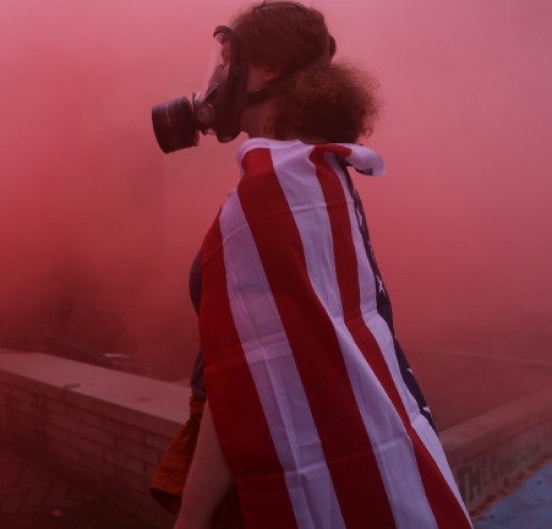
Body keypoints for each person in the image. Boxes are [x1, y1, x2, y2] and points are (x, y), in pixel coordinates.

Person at [149, 2, 474, 528]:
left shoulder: (272, 196)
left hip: (253, 465)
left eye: (230, 59)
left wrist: (191, 514)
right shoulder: (317, 176)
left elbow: (247, 377)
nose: (218, 76)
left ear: (269, 69)